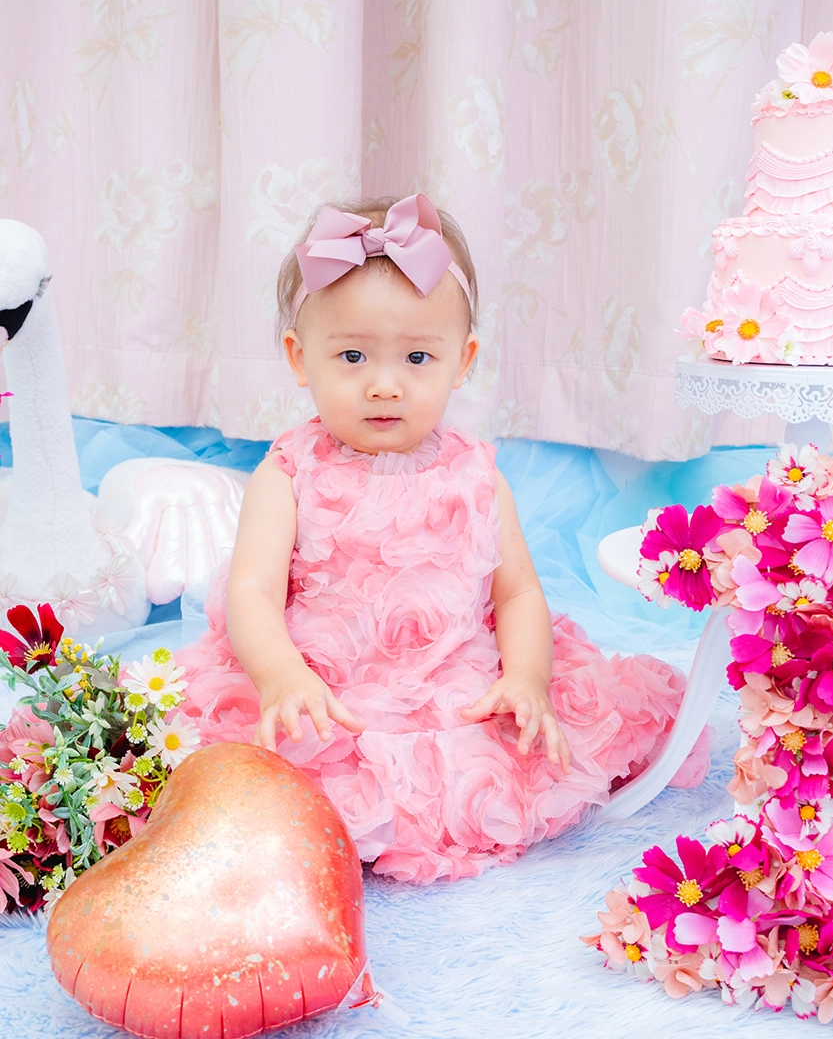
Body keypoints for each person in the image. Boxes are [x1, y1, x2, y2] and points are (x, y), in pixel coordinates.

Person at [177, 193, 709, 883]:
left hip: (450, 682)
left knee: (504, 753)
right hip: (324, 686)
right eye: (352, 356)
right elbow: (251, 590)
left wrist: (526, 678)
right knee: (256, 780)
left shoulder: (477, 474)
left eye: (418, 357)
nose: (385, 385)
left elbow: (516, 594)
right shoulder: (288, 472)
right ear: (299, 358)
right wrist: (280, 675)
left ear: (463, 360)